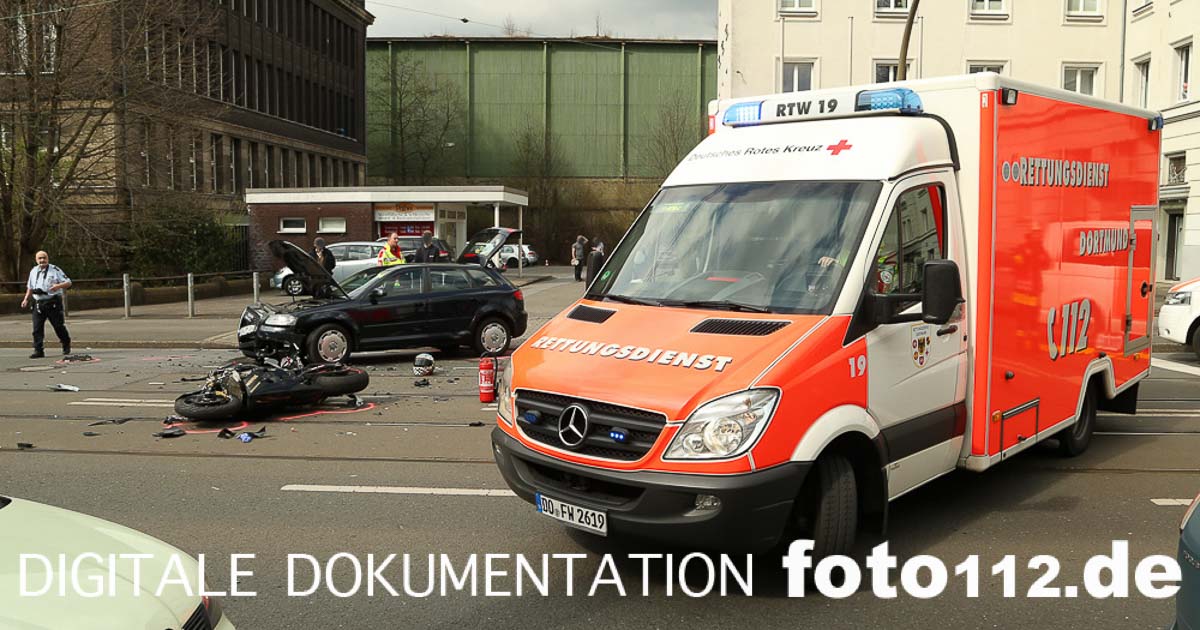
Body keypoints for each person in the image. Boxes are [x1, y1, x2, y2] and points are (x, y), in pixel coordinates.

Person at [21, 251, 72, 358]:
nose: (42, 260)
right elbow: (30, 287)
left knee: (58, 326)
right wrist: (26, 299)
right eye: (39, 258)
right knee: (37, 328)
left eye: (44, 258)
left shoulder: (55, 270)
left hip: (52, 302)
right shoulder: (33, 271)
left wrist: (58, 286)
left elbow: (68, 282)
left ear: (48, 258)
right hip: (38, 303)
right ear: (36, 260)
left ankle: (65, 342)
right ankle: (38, 350)